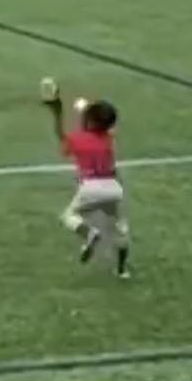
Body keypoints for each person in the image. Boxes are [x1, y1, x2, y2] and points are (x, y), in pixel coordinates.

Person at [43, 82, 131, 279]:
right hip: (113, 188)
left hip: (91, 188)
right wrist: (87, 111)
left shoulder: (78, 139)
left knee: (69, 217)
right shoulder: (109, 138)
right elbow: (95, 127)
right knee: (120, 229)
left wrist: (57, 113)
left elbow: (62, 137)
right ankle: (122, 269)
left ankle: (89, 233)